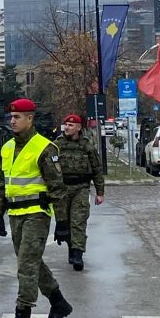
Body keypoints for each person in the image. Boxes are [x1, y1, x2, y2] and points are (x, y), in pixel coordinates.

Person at [0, 97, 72, 318]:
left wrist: (62, 222)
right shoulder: (7, 148)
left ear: (30, 118)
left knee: (26, 265)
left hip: (37, 213)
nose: (12, 121)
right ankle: (58, 302)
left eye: (17, 117)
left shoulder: (44, 148)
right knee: (32, 263)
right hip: (15, 214)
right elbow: (1, 183)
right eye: (11, 117)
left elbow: (57, 187)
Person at [55, 114, 104, 272]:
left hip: (81, 188)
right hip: (63, 189)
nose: (67, 127)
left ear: (78, 127)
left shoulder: (86, 145)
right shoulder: (57, 144)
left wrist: (100, 192)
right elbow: (49, 167)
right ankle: (71, 249)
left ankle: (78, 254)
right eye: (66, 124)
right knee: (65, 223)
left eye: (71, 125)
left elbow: (97, 169)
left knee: (78, 222)